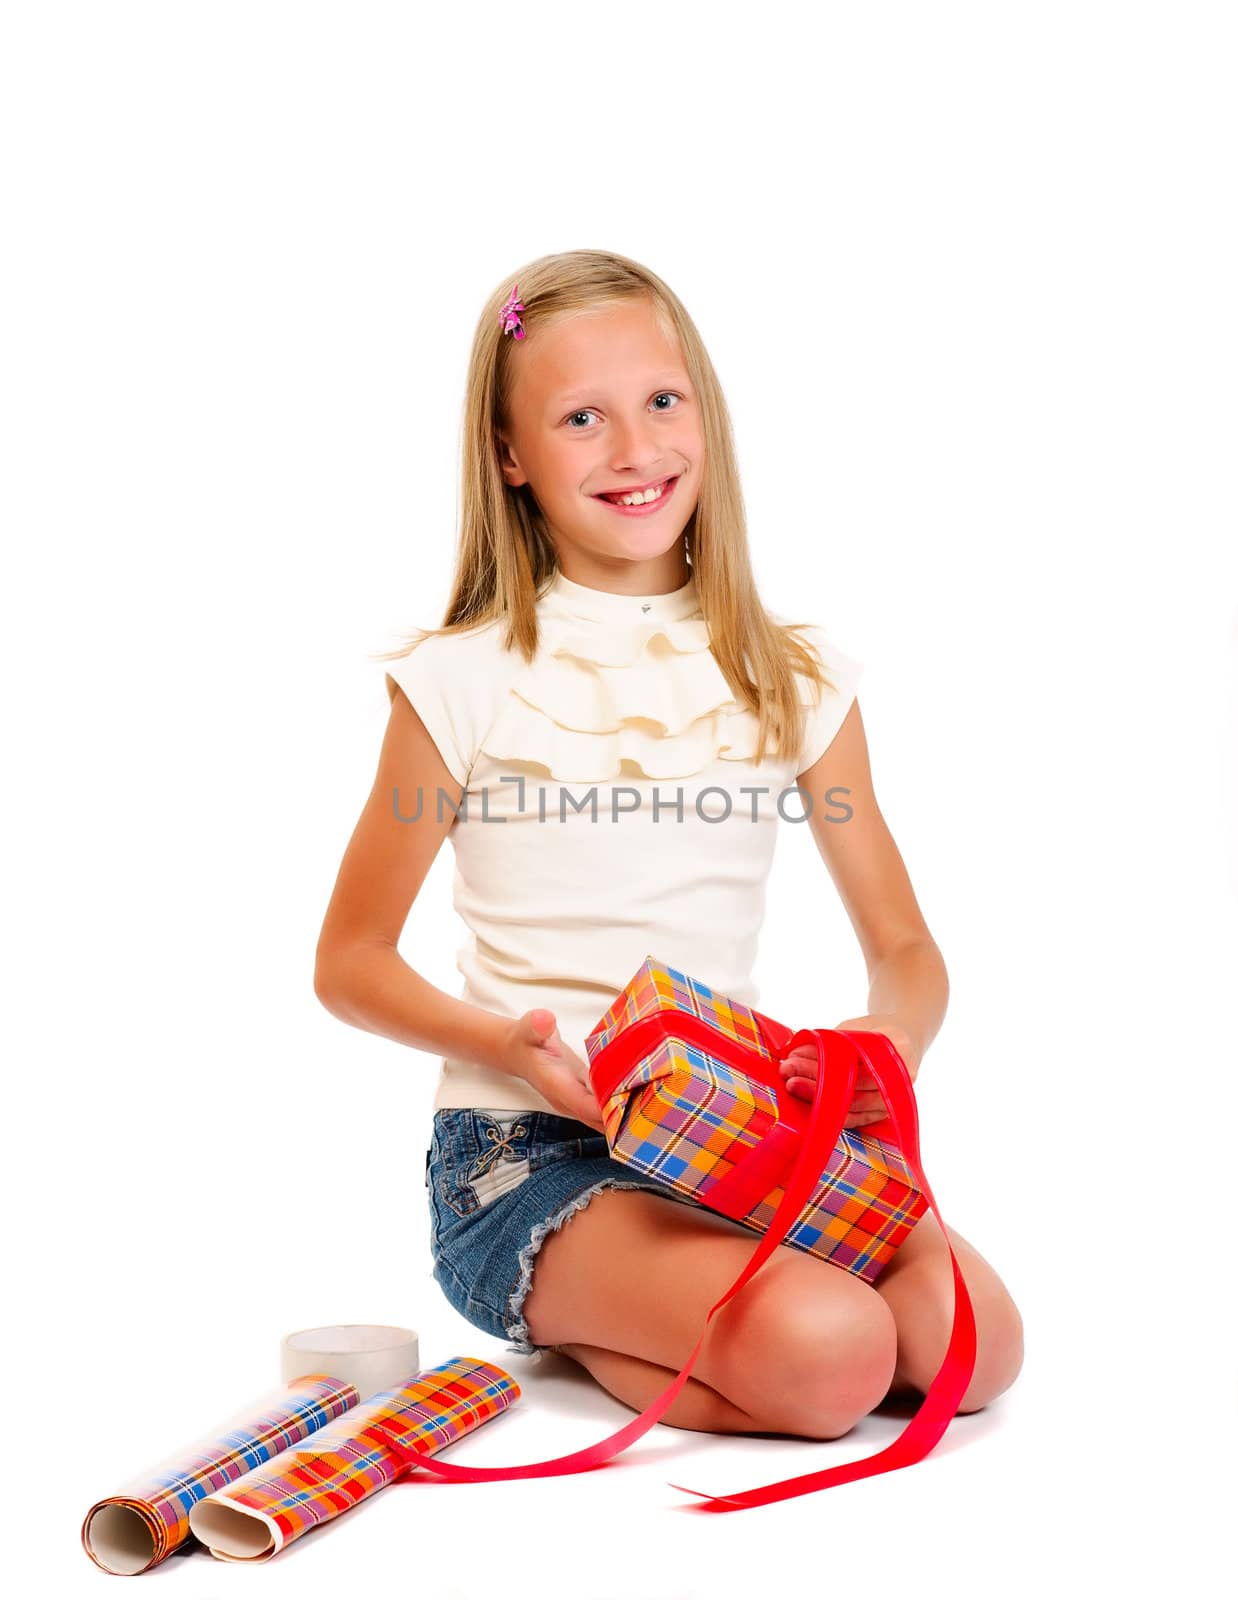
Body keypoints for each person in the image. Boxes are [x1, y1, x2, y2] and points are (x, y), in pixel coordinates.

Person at [314, 249, 1023, 1441]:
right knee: (836, 1355)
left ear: (703, 408)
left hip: (727, 1126)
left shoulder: (790, 679)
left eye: (660, 401)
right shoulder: (460, 678)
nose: (634, 451)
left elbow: (905, 948)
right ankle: (581, 1321)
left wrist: (875, 1048)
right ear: (509, 456)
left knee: (976, 1348)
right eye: (579, 417)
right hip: (528, 1148)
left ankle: (668, 1312)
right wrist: (513, 1044)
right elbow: (348, 962)